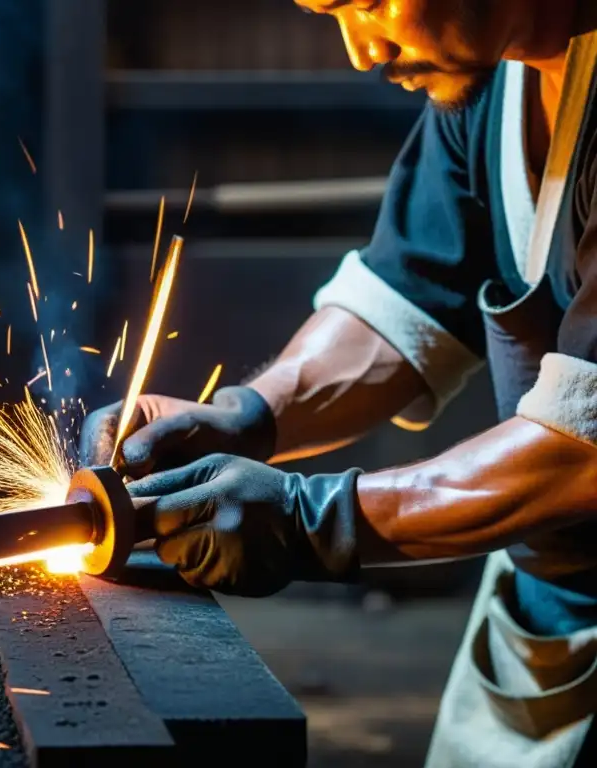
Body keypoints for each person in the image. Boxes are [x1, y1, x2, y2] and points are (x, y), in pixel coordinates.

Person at [79, 1, 597, 766]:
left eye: (370, 1)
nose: (362, 49)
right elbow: (406, 300)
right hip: (547, 619)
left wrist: (312, 520)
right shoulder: (496, 81)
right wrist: (247, 414)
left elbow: (586, 450)